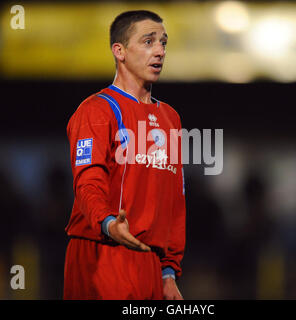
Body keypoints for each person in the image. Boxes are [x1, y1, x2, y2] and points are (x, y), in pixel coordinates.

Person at [63, 10, 186, 300]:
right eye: (148, 41)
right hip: (102, 252)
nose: (159, 51)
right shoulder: (96, 109)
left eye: (163, 43)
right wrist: (107, 223)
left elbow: (176, 201)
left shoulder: (171, 118)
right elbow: (87, 182)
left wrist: (168, 271)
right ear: (119, 51)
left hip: (150, 264)